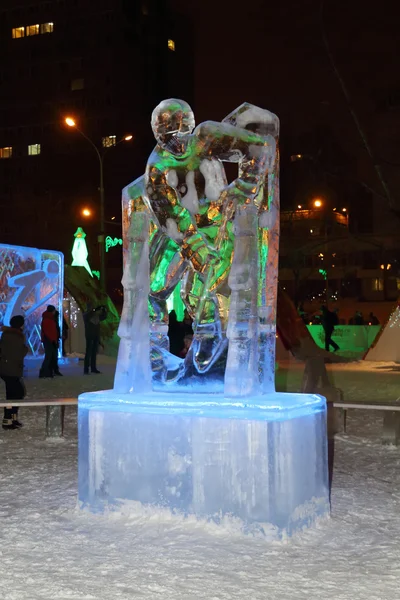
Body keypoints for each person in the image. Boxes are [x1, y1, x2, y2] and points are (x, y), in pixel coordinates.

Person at [0, 315, 28, 430]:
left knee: (14, 394)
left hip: (5, 368)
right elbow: (18, 354)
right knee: (16, 394)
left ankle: (11, 418)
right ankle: (8, 420)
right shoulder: (17, 336)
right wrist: (25, 349)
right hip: (12, 369)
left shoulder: (6, 334)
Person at [83, 304, 107, 374]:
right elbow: (88, 315)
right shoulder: (86, 315)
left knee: (94, 353)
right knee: (88, 353)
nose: (92, 309)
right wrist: (94, 310)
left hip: (96, 336)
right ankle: (86, 369)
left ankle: (93, 368)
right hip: (90, 336)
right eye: (90, 307)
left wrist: (103, 310)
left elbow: (104, 317)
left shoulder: (95, 316)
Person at [39, 305, 58, 378]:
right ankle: (44, 372)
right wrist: (53, 340)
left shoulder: (47, 318)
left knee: (49, 356)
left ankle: (47, 372)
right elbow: (50, 331)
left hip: (48, 340)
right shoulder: (49, 319)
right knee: (49, 357)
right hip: (49, 340)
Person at [51, 310, 63, 376]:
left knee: (53, 356)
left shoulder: (53, 321)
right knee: (53, 356)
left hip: (54, 339)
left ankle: (53, 370)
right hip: (53, 340)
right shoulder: (53, 321)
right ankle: (54, 370)